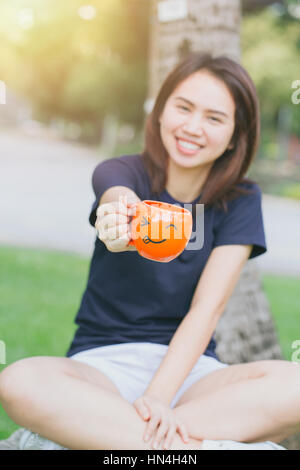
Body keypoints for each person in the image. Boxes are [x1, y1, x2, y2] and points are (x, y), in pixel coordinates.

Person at [0, 52, 296, 451]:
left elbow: (206, 311)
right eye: (183, 107)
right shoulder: (122, 172)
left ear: (234, 135)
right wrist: (118, 221)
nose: (192, 127)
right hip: (103, 367)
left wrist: (158, 397)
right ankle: (189, 449)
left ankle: (107, 437)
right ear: (160, 111)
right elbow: (115, 200)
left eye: (214, 118)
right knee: (20, 381)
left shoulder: (241, 199)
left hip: (192, 375)